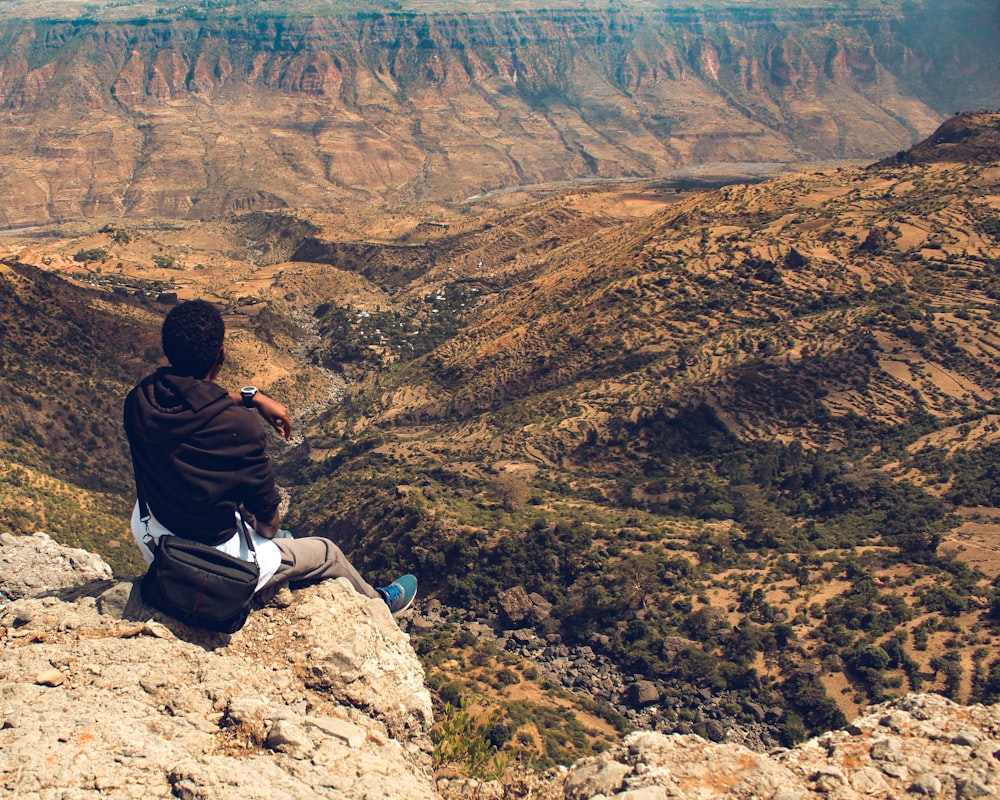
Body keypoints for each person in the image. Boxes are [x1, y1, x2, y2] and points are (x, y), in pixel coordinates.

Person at [123, 298, 416, 616]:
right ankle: (380, 604)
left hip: (154, 534)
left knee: (269, 531)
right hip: (211, 563)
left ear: (168, 350)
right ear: (220, 355)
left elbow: (197, 401)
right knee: (325, 551)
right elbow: (268, 525)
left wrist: (251, 398)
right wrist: (268, 531)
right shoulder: (239, 430)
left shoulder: (141, 399)